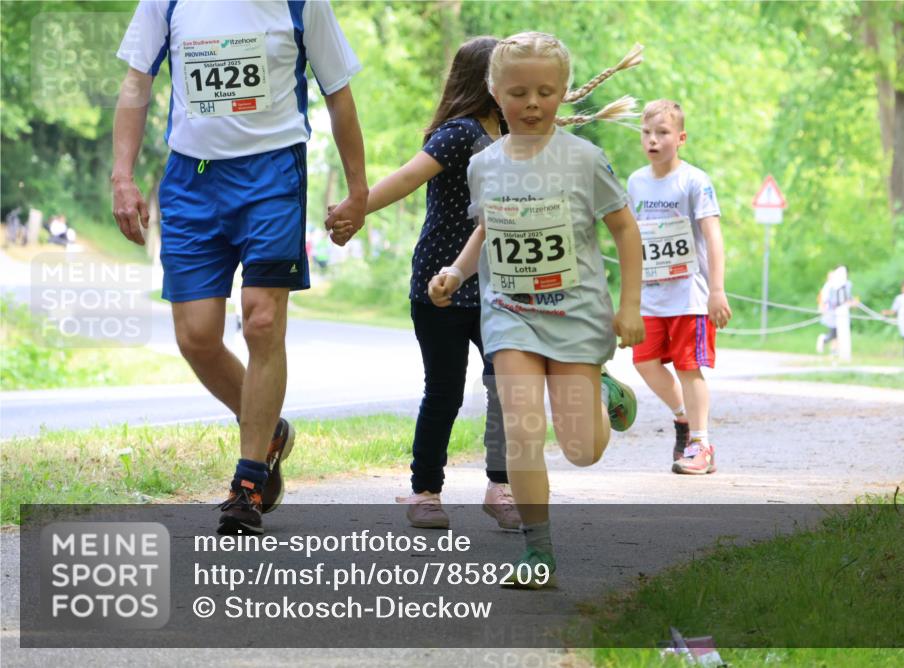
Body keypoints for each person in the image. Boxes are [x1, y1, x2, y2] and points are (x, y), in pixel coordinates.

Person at [111, 0, 368, 534]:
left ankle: (247, 484)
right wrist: (123, 176)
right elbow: (137, 83)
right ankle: (270, 431)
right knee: (197, 336)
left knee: (262, 319)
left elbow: (338, 95)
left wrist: (358, 189)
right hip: (191, 178)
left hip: (273, 173)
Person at [428, 32, 645, 588]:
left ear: (563, 92)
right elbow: (487, 227)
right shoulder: (484, 164)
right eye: (519, 91)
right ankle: (537, 553)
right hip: (509, 313)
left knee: (583, 450)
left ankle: (599, 387)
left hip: (575, 316)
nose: (532, 103)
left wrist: (630, 308)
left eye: (545, 92)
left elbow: (624, 231)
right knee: (522, 429)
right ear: (495, 92)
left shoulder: (584, 160)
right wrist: (457, 270)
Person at [335, 37, 519, 530]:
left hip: (498, 284)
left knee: (507, 384)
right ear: (487, 80)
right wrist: (355, 210)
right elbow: (405, 179)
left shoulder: (513, 132)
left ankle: (500, 486)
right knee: (445, 391)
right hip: (442, 281)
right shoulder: (459, 134)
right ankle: (425, 491)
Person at [627, 100, 731, 474]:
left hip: (689, 294)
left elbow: (712, 235)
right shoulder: (636, 182)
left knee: (689, 367)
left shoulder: (694, 181)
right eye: (647, 133)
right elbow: (632, 238)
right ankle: (683, 417)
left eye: (663, 133)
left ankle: (702, 445)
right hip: (651, 295)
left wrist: (717, 290)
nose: (653, 140)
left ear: (681, 138)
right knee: (644, 362)